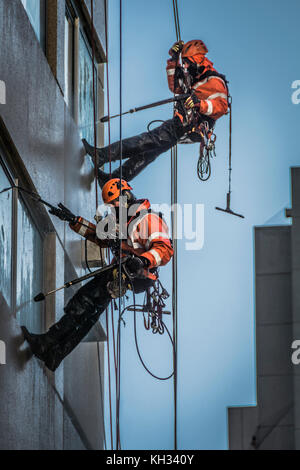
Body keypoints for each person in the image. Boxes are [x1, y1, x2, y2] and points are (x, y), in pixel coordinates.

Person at [22, 179, 173, 371]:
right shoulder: (122, 221)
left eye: (114, 205)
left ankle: (47, 343)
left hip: (131, 273)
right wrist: (74, 221)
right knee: (89, 312)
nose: (113, 210)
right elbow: (100, 237)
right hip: (120, 272)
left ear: (125, 196)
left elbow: (164, 249)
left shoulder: (148, 219)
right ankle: (55, 353)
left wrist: (143, 261)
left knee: (83, 302)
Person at [82, 39, 229, 186]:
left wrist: (199, 104)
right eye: (183, 62)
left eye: (187, 62)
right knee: (150, 151)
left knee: (146, 140)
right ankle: (112, 180)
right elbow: (176, 88)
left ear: (197, 60)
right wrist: (173, 59)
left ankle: (102, 155)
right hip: (186, 125)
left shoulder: (214, 81)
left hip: (190, 125)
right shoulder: (193, 76)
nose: (185, 66)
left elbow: (221, 107)